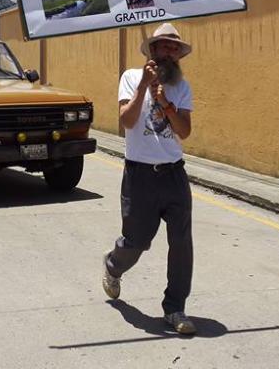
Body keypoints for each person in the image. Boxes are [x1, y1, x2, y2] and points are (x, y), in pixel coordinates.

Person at [102, 22, 197, 335]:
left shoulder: (181, 86)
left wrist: (166, 102)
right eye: (164, 46)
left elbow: (184, 131)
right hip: (140, 175)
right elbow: (127, 121)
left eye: (174, 48)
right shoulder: (131, 77)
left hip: (173, 174)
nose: (170, 52)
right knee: (137, 241)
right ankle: (113, 265)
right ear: (153, 50)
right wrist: (144, 86)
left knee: (181, 242)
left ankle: (175, 308)